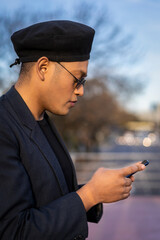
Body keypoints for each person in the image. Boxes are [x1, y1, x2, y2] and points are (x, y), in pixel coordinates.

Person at [0, 20, 145, 240]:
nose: (81, 91)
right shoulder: (4, 125)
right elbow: (14, 231)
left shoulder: (42, 119)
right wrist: (90, 194)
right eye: (78, 79)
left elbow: (47, 193)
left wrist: (100, 190)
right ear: (43, 68)